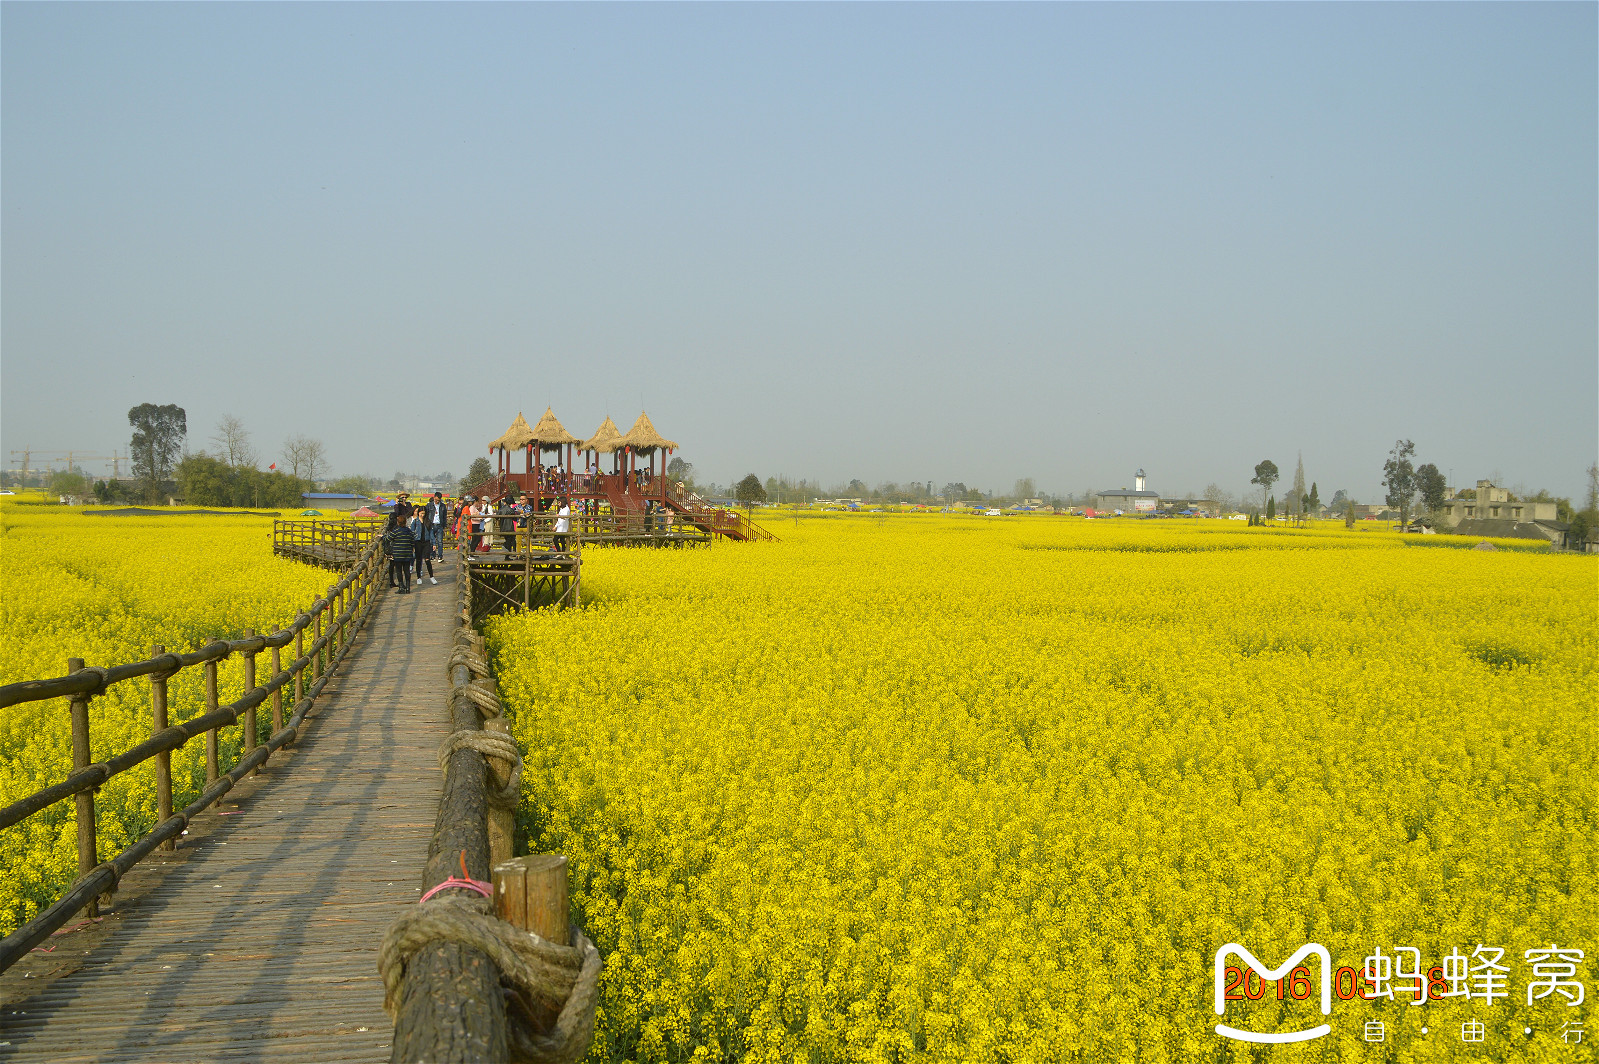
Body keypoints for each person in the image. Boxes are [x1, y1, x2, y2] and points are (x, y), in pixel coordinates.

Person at [382, 512, 415, 593]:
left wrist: (382, 536)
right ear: (405, 522)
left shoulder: (396, 531)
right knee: (407, 570)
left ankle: (401, 587)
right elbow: (413, 542)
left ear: (398, 522)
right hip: (407, 554)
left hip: (398, 554)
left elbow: (388, 539)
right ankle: (407, 588)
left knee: (399, 571)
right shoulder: (409, 531)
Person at [409, 508, 436, 584]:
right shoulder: (415, 522)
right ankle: (418, 577)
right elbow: (412, 533)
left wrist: (433, 543)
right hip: (418, 542)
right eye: (421, 513)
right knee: (418, 560)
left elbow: (431, 533)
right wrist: (412, 544)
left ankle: (431, 576)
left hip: (426, 542)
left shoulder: (428, 522)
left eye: (423, 513)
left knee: (427, 559)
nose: (422, 515)